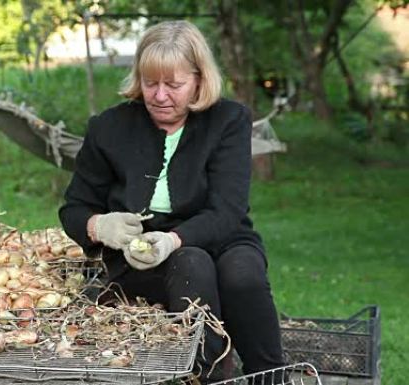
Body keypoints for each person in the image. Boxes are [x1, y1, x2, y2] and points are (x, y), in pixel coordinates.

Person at [59, 20, 286, 382]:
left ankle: (271, 376)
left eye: (174, 84)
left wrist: (172, 239)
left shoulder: (228, 120)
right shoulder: (109, 127)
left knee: (242, 275)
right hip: (142, 257)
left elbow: (227, 210)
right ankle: (208, 376)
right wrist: (100, 226)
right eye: (151, 83)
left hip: (222, 237)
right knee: (192, 265)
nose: (160, 95)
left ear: (199, 79)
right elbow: (74, 208)